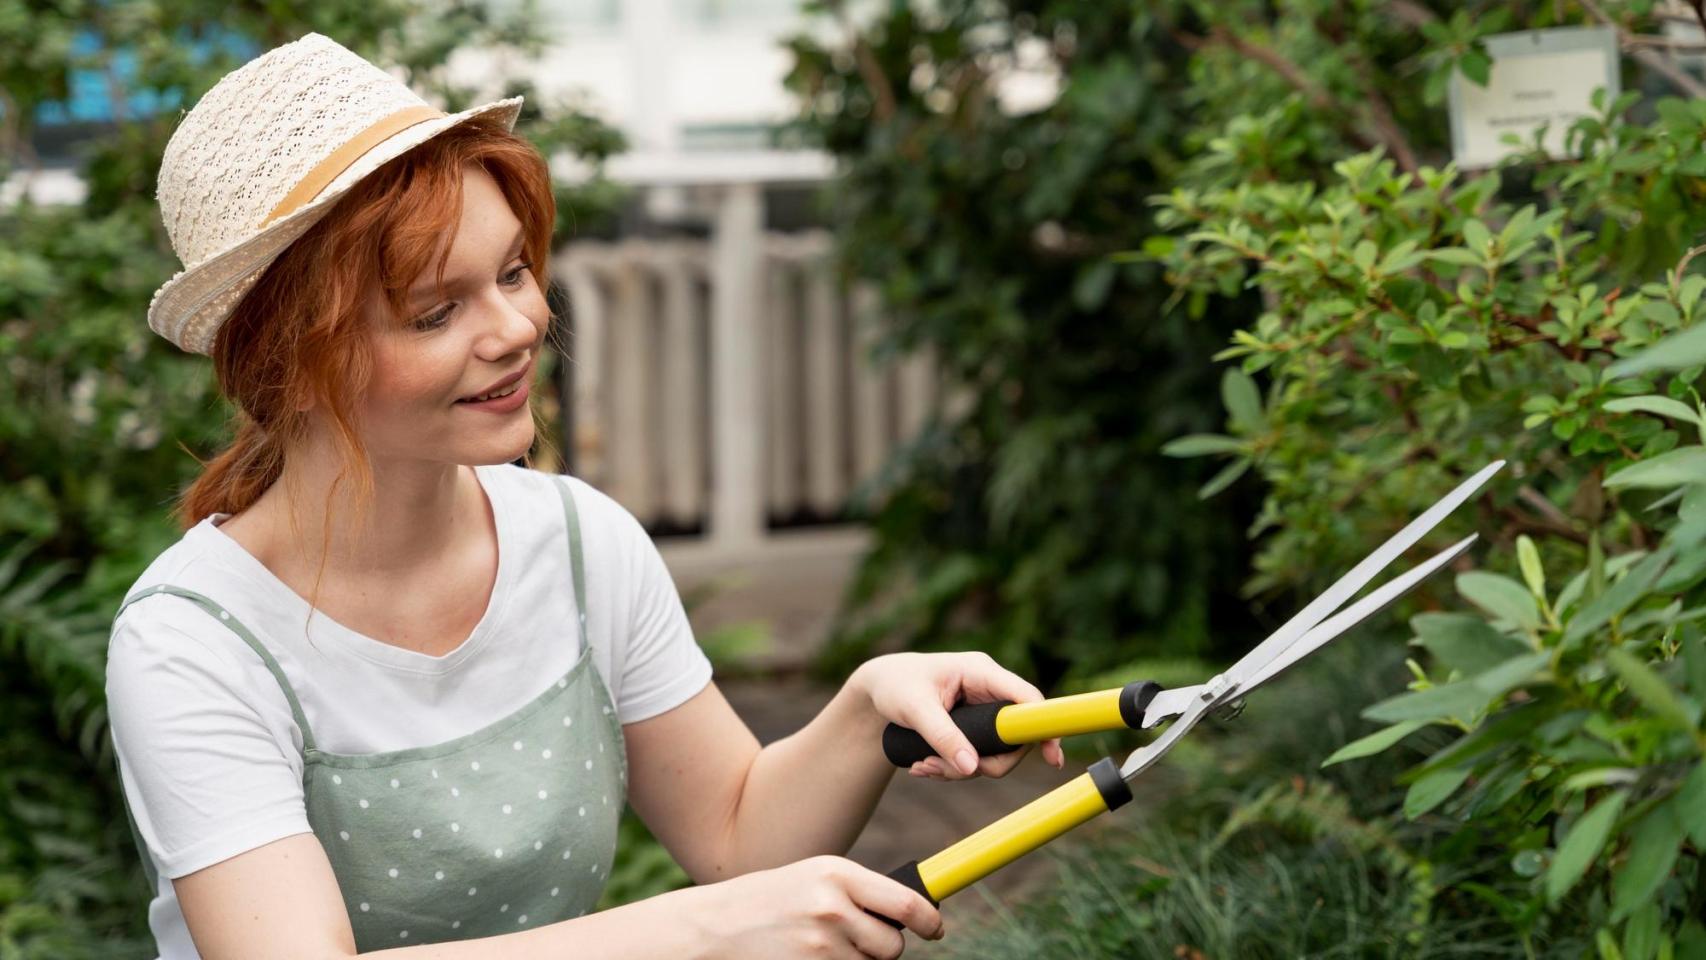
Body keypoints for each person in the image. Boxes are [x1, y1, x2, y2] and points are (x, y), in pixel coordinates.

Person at [105, 32, 1065, 960]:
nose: (519, 326)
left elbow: (738, 838)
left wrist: (865, 713)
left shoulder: (577, 543)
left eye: (515, 271)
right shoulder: (194, 642)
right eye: (437, 312)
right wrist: (706, 933)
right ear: (293, 363)